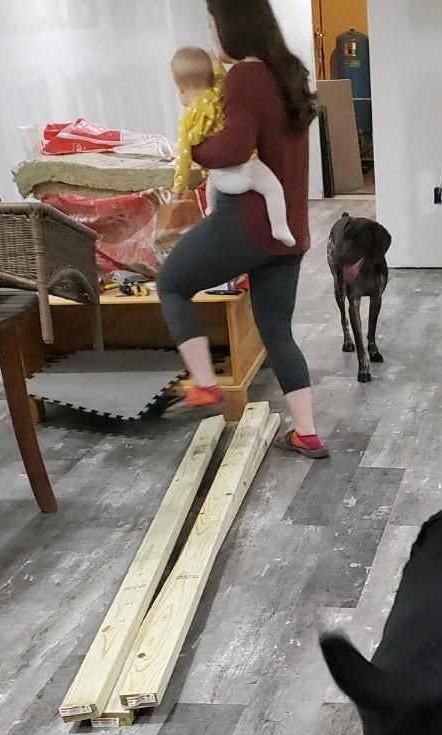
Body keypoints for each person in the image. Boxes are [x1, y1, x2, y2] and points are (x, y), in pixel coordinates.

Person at [157, 0, 327, 458]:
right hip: (287, 233)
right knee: (277, 330)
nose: (212, 37)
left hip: (245, 224)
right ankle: (306, 434)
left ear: (231, 25)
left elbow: (232, 148)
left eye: (213, 26)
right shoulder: (286, 72)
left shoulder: (246, 76)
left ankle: (207, 386)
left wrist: (193, 149)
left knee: (171, 283)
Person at [170, 46, 294, 245]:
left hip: (220, 178)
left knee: (210, 181)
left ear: (180, 87)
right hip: (247, 171)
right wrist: (218, 67)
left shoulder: (186, 121)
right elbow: (223, 80)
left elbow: (183, 158)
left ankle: (210, 209)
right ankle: (280, 228)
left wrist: (178, 190)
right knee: (273, 190)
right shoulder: (219, 93)